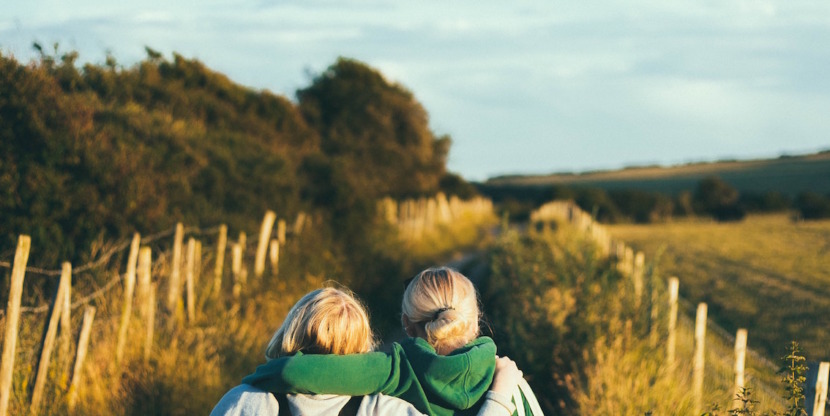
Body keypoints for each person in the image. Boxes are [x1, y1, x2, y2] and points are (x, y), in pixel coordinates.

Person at [241, 268, 543, 415]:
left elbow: (290, 372)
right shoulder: (511, 384)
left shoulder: (396, 369)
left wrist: (256, 378)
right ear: (475, 321)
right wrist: (501, 394)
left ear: (407, 325)